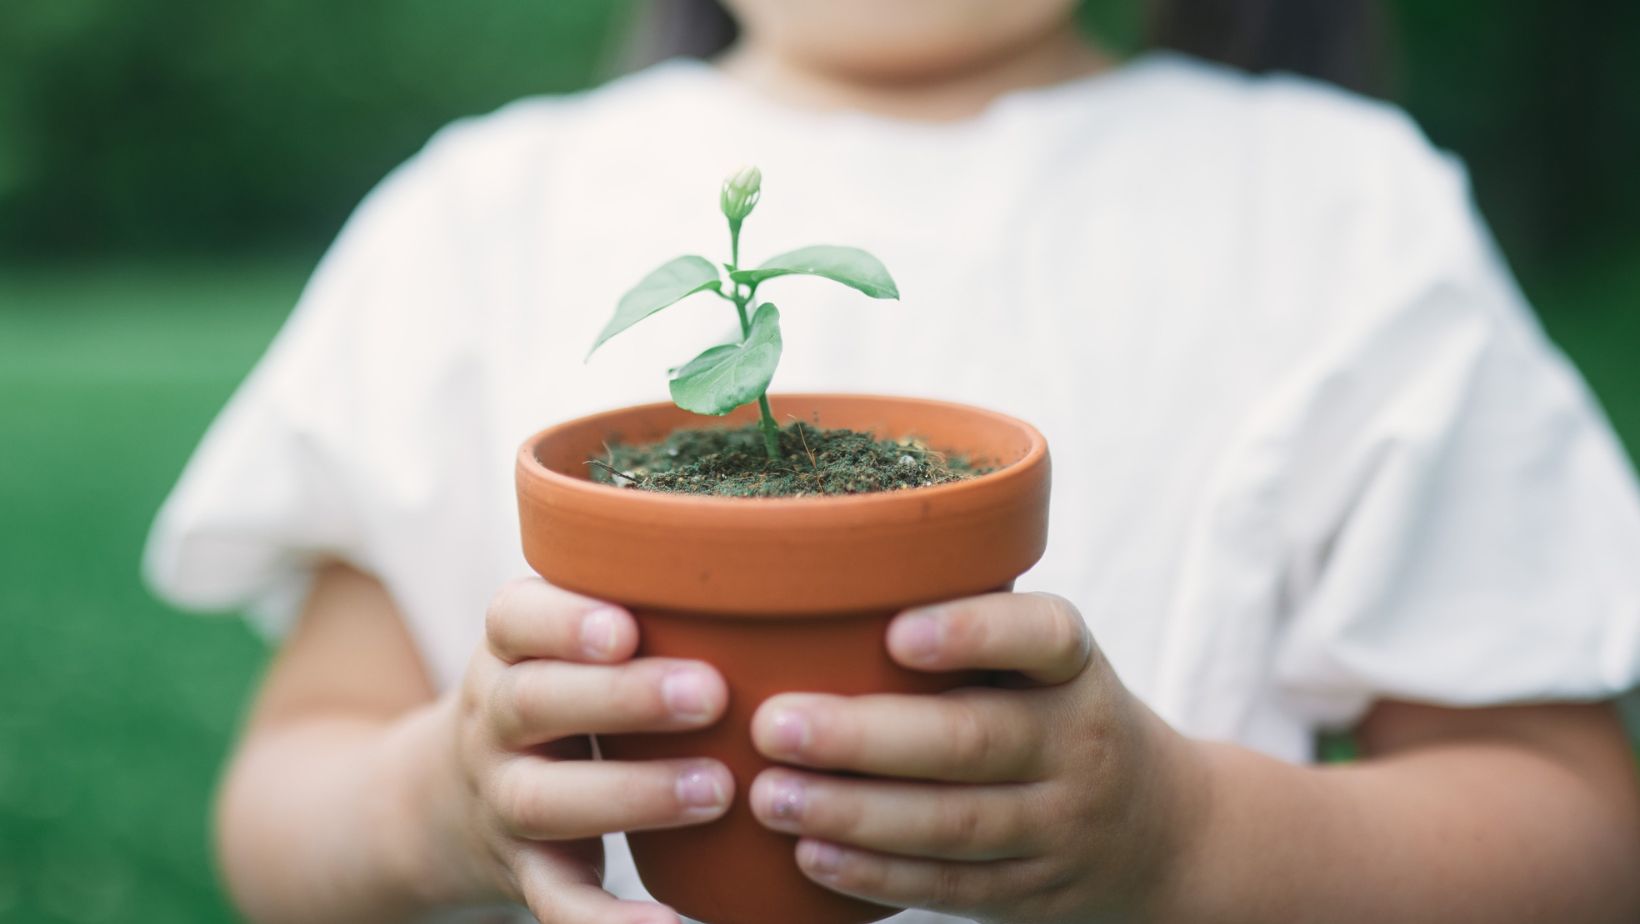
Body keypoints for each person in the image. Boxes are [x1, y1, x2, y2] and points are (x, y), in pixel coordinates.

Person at [145, 1, 1640, 922]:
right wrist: (433, 802)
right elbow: (285, 801)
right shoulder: (477, 217)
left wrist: (1184, 842)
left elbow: (1576, 846)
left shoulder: (1337, 209)